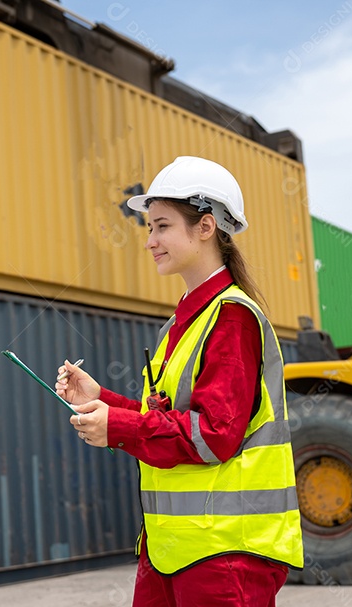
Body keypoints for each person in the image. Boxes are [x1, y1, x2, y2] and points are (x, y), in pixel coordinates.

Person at [55, 156, 303, 606]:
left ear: (205, 227)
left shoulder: (232, 317)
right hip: (173, 547)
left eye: (162, 226)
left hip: (226, 549)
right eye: (149, 229)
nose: (150, 241)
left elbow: (213, 435)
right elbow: (168, 419)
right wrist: (101, 399)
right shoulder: (179, 324)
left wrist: (117, 426)